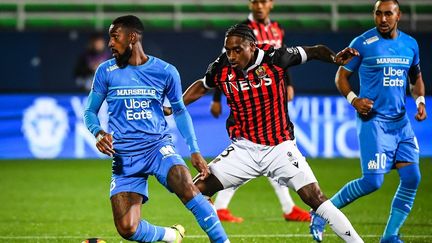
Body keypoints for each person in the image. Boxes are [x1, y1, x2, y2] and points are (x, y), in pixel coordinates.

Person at [177, 24, 364, 242]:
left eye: (237, 50)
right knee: (194, 191)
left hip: (279, 147)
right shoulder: (221, 67)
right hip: (243, 150)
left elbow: (316, 50)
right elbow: (202, 85)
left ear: (252, 46)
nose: (232, 55)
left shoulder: (276, 57)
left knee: (316, 198)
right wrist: (175, 104)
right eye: (228, 50)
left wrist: (335, 59)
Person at [83, 15, 230, 243]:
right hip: (124, 155)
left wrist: (194, 149)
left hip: (157, 147)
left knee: (185, 184)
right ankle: (171, 235)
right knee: (127, 229)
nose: (110, 43)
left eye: (115, 36)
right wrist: (98, 132)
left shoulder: (165, 71)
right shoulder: (105, 71)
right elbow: (90, 111)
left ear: (132, 37)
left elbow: (180, 111)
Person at [309, 1, 427, 242]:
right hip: (373, 121)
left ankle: (390, 237)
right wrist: (354, 100)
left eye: (388, 14)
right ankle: (321, 213)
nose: (383, 19)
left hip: (400, 122)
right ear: (374, 15)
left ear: (398, 15)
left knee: (413, 177)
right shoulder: (362, 43)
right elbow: (341, 77)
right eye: (378, 14)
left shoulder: (410, 45)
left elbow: (416, 78)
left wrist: (421, 101)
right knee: (372, 182)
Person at [210, 0, 308, 224]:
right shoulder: (240, 32)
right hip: (247, 99)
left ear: (271, 4)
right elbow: (222, 65)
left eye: (263, 1)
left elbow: (281, 58)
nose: (259, 5)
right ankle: (287, 208)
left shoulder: (277, 29)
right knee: (259, 151)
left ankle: (224, 207)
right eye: (255, 1)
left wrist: (289, 84)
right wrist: (216, 99)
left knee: (267, 152)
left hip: (272, 98)